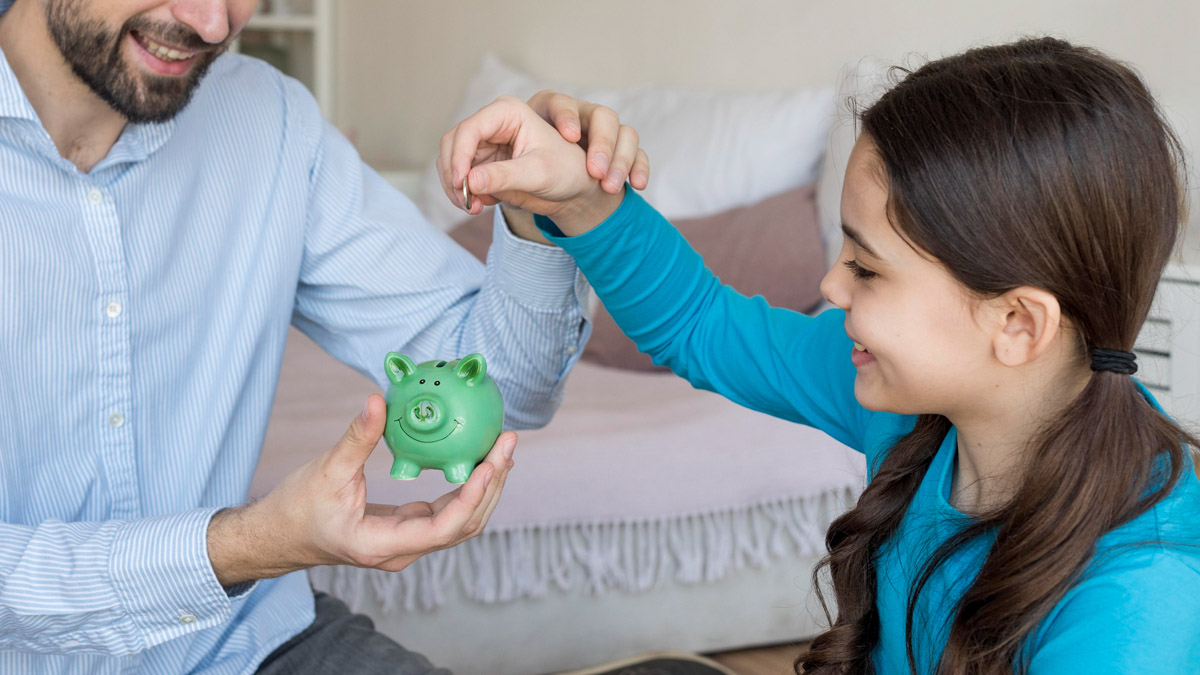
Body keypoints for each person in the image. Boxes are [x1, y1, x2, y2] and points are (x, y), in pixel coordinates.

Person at [439, 37, 1200, 673]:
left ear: (1018, 325)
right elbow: (702, 324)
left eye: (866, 268)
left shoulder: (1139, 598)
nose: (830, 284)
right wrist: (578, 197)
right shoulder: (921, 407)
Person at [0, 0, 651, 673]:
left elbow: (499, 390)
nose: (213, 23)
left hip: (242, 640)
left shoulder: (272, 120)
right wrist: (245, 545)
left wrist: (540, 209)